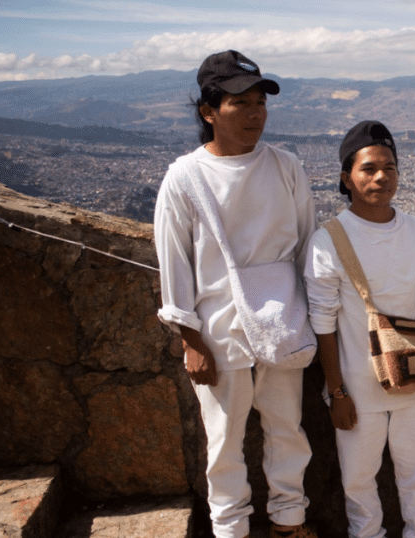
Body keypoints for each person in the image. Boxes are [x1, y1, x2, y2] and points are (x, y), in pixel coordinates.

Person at [154, 50, 317, 538]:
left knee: (287, 429)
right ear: (208, 111)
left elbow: (309, 247)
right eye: (239, 103)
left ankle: (290, 523)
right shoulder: (185, 178)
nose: (254, 113)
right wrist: (191, 340)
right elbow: (175, 261)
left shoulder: (285, 167)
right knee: (224, 442)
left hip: (283, 322)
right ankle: (231, 530)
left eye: (259, 102)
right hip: (220, 331)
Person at [305, 120, 415, 538]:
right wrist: (337, 392)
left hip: (412, 381)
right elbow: (323, 324)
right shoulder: (328, 241)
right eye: (368, 169)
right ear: (347, 178)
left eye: (389, 167)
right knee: (359, 485)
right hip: (357, 392)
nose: (381, 176)